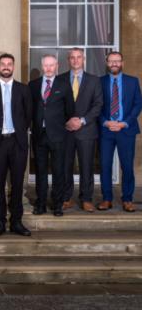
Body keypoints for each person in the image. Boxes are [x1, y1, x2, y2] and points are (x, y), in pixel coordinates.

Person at [0, 53, 33, 236]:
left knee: (17, 184)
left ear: (14, 67)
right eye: (2, 64)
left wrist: (19, 131)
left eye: (9, 64)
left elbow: (28, 114)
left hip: (18, 142)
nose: (6, 67)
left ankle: (17, 221)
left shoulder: (24, 89)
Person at [29, 54, 75, 217]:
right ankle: (40, 203)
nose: (48, 68)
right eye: (46, 65)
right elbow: (30, 109)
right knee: (40, 170)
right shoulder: (33, 85)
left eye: (51, 65)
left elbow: (70, 110)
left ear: (57, 66)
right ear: (42, 67)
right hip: (38, 135)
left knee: (58, 171)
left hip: (58, 135)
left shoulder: (64, 85)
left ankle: (57, 204)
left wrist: (60, 125)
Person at [58, 48, 103, 212]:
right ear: (68, 60)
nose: (76, 60)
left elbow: (98, 104)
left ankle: (86, 199)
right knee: (65, 166)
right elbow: (55, 104)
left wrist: (82, 121)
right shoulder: (59, 79)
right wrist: (67, 121)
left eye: (78, 57)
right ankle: (65, 198)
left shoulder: (94, 80)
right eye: (72, 57)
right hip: (65, 130)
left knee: (86, 166)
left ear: (83, 59)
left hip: (87, 130)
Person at [97, 51, 142, 212]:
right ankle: (107, 198)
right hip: (106, 131)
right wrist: (105, 122)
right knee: (105, 166)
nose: (114, 64)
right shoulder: (99, 82)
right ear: (107, 63)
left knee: (127, 166)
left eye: (117, 61)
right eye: (111, 61)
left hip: (126, 131)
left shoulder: (133, 81)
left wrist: (124, 123)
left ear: (122, 63)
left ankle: (127, 199)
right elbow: (95, 105)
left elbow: (138, 104)